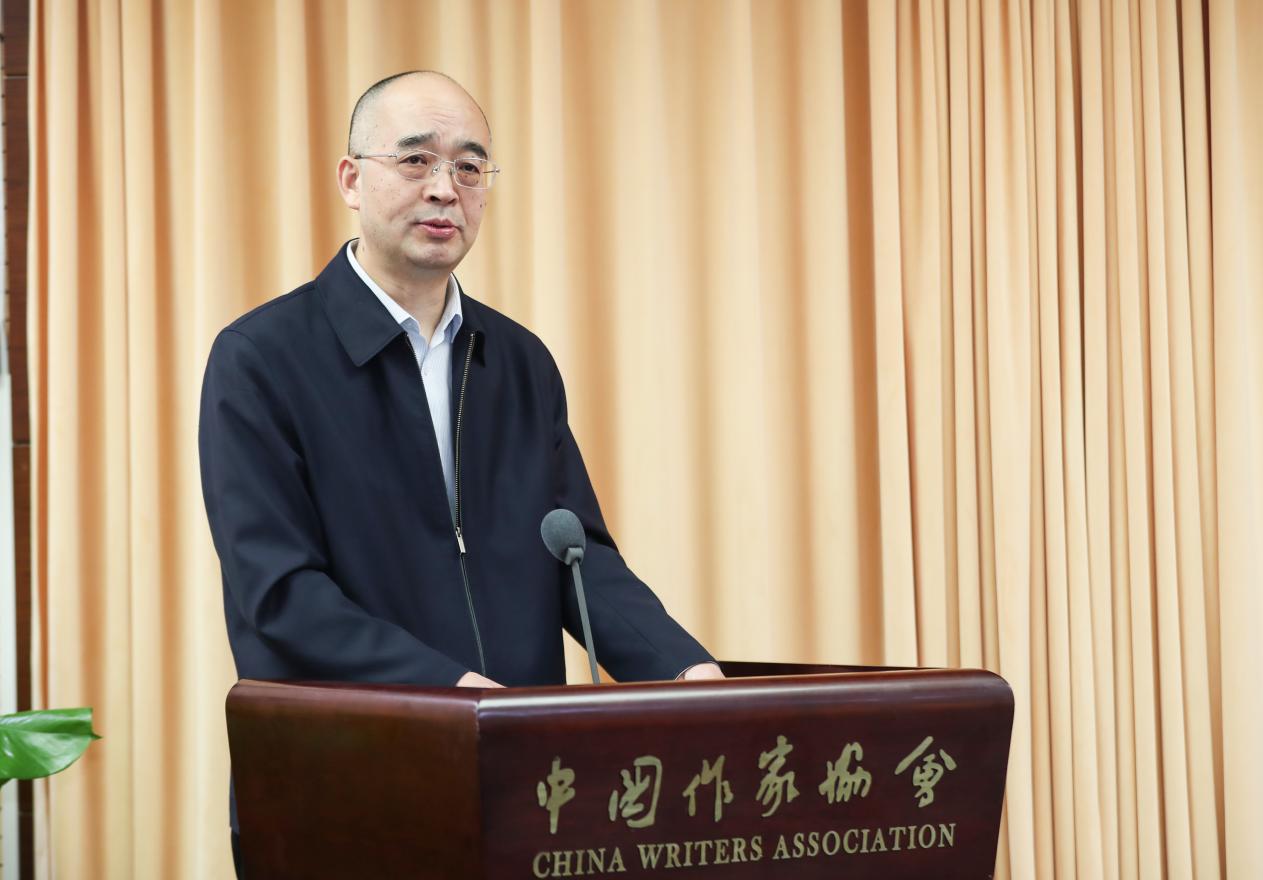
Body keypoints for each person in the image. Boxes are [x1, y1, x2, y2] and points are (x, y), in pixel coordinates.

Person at [198, 70, 721, 875]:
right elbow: (279, 596)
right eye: (415, 160)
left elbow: (576, 556)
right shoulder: (261, 359)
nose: (445, 188)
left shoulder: (518, 361)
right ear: (351, 179)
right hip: (338, 788)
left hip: (520, 785)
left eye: (470, 167)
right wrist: (451, 691)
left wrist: (682, 668)